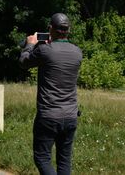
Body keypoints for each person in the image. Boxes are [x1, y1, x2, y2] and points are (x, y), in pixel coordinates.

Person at [20, 13, 83, 175]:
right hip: (70, 115)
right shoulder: (77, 52)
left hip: (48, 115)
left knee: (42, 157)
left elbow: (24, 62)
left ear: (50, 29)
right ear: (68, 31)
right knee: (64, 160)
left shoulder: (44, 50)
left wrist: (29, 44)